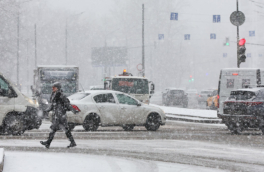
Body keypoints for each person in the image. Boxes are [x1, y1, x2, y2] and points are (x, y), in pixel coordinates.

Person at [40, 82, 78, 149]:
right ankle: (72, 142)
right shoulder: (54, 95)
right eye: (52, 87)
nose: (52, 88)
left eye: (54, 87)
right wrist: (46, 110)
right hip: (57, 115)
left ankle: (48, 143)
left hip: (60, 116)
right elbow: (53, 105)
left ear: (57, 88)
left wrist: (73, 110)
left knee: (55, 129)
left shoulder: (61, 95)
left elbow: (67, 104)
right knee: (62, 129)